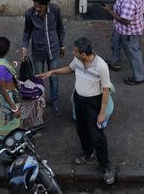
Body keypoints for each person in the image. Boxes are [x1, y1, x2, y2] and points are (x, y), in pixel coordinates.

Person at [39, 37, 115, 186]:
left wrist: (101, 113)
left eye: (75, 53)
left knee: (97, 136)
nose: (73, 54)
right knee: (81, 130)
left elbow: (105, 91)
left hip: (94, 103)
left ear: (84, 55)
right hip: (79, 100)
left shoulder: (101, 66)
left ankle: (106, 167)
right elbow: (70, 68)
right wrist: (53, 72)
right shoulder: (78, 61)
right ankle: (88, 153)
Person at [19, 0, 67, 117]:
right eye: (35, 5)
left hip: (54, 49)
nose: (37, 9)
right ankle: (39, 102)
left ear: (47, 4)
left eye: (40, 7)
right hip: (38, 51)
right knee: (38, 79)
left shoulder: (55, 10)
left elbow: (60, 29)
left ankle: (55, 101)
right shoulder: (29, 14)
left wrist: (62, 46)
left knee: (54, 77)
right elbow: (27, 31)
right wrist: (24, 47)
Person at [0, 36, 22, 154]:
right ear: (6, 50)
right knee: (10, 127)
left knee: (1, 125)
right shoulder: (1, 69)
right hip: (6, 102)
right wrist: (14, 108)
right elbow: (3, 89)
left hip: (0, 101)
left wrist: (11, 66)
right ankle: (10, 153)